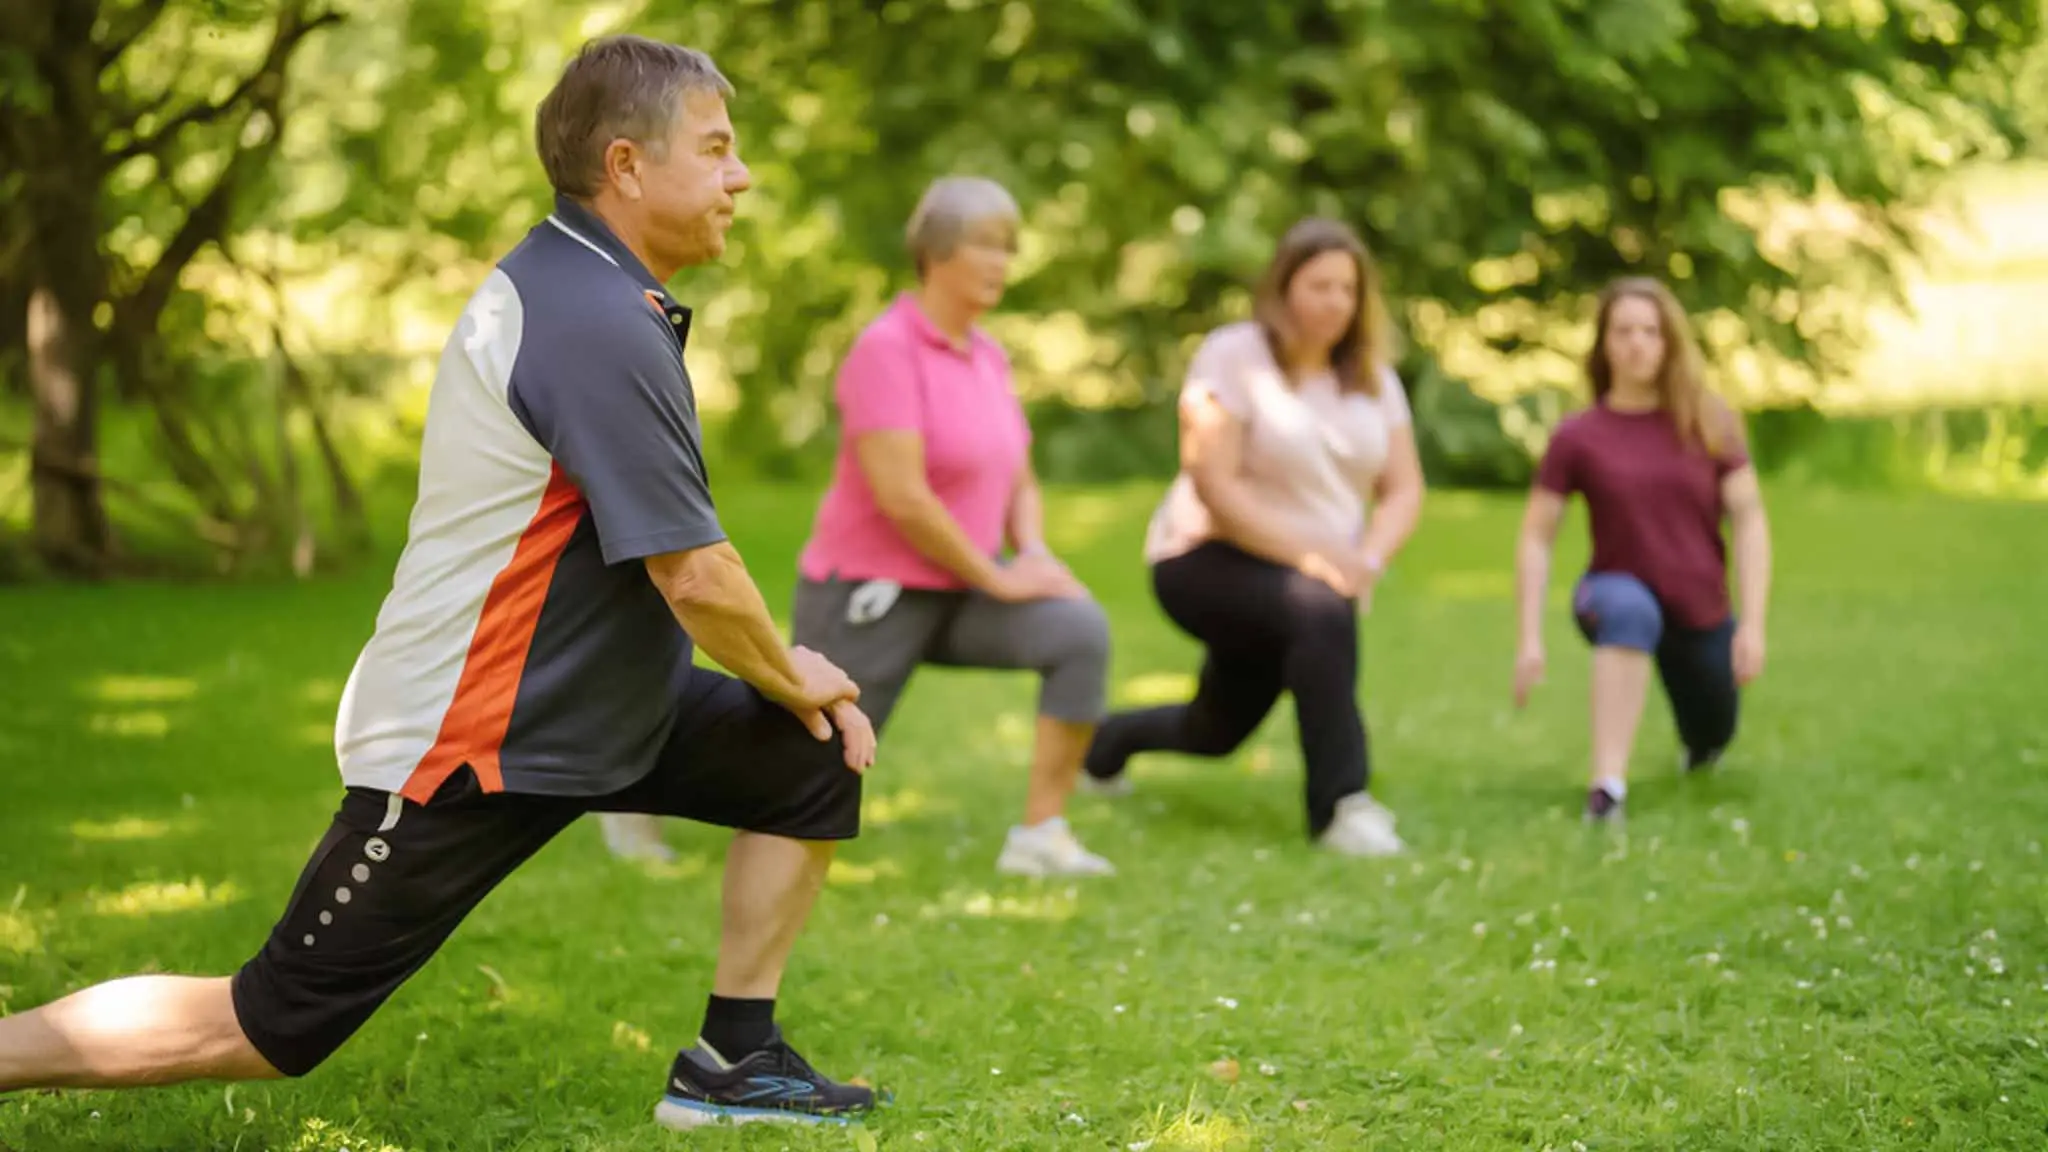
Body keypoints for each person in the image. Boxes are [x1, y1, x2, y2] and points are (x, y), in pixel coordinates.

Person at [0, 36, 880, 1130]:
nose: (739, 177)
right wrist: (791, 670)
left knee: (808, 760)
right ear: (627, 166)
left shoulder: (584, 281)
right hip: (473, 734)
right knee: (270, 1027)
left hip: (591, 703)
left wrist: (798, 702)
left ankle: (732, 1064)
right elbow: (694, 574)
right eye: (715, 149)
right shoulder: (592, 318)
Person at [789, 175, 1117, 878]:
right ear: (937, 252)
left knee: (1079, 632)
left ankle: (1041, 835)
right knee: (800, 762)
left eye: (1010, 248)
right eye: (986, 245)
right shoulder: (886, 350)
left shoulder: (989, 355)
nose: (1002, 262)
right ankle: (639, 793)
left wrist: (1030, 552)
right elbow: (903, 497)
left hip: (963, 589)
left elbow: (1017, 474)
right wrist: (996, 576)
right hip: (872, 590)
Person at [1082, 217, 1425, 857]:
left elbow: (1404, 487)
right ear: (1283, 287)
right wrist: (1315, 558)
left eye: (1347, 289)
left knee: (1216, 730)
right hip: (1204, 557)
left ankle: (1103, 744)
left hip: (1308, 575)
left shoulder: (1373, 376)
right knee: (1323, 613)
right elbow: (1212, 481)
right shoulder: (1233, 354)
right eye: (1319, 285)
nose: (1335, 302)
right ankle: (1342, 807)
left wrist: (1368, 558)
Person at [1512, 276, 1773, 824]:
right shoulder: (1579, 436)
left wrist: (1752, 625)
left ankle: (1700, 744)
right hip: (1612, 590)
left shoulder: (1709, 421)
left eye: (1650, 331)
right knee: (1631, 610)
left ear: (1669, 342)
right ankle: (1607, 788)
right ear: (1604, 344)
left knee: (1713, 730)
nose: (1637, 343)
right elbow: (1537, 535)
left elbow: (1749, 520)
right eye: (1623, 331)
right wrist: (1529, 639)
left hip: (1699, 604)